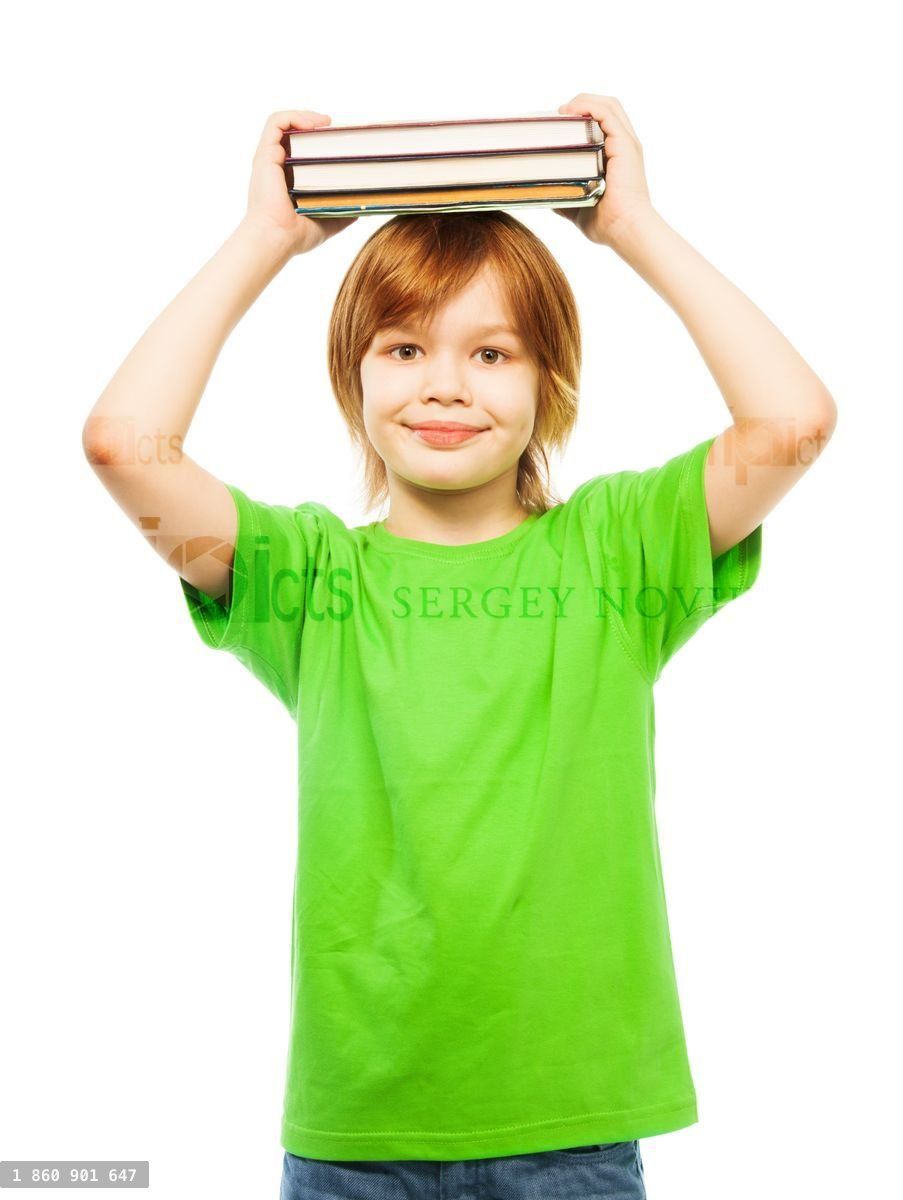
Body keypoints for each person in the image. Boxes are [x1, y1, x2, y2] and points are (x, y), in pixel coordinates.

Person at [82, 95, 837, 1200]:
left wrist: (633, 226)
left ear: (550, 386)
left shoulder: (617, 555)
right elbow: (123, 442)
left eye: (491, 352)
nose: (444, 382)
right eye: (404, 347)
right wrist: (268, 238)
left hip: (569, 1133)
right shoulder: (310, 581)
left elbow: (792, 422)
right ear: (355, 378)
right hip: (359, 1139)